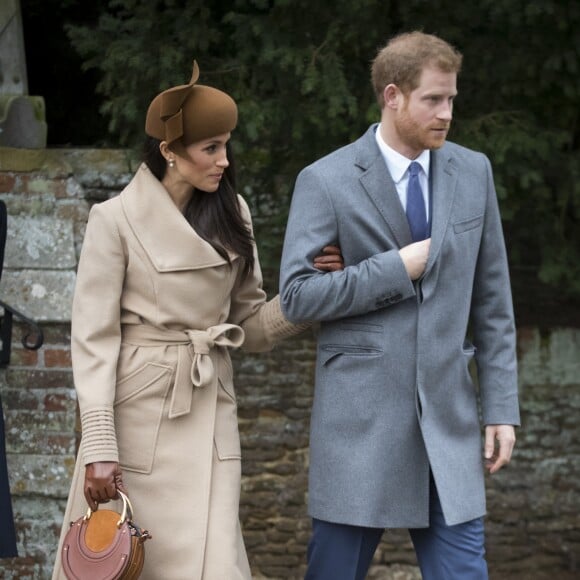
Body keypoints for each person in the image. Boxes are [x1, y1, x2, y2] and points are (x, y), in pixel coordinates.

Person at [52, 61, 342, 580]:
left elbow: (249, 327)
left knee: (217, 564)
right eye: (211, 148)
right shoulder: (113, 221)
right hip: (136, 423)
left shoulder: (234, 213)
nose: (224, 161)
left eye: (226, 145)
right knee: (129, 564)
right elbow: (93, 342)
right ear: (169, 151)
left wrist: (311, 297)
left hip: (210, 409)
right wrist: (98, 446)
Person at [279, 31, 520, 580]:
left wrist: (502, 407)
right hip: (359, 425)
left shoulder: (473, 172)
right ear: (393, 96)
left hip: (448, 424)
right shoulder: (326, 180)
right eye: (433, 100)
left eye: (452, 99)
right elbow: (296, 297)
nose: (447, 113)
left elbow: (493, 301)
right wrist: (398, 266)